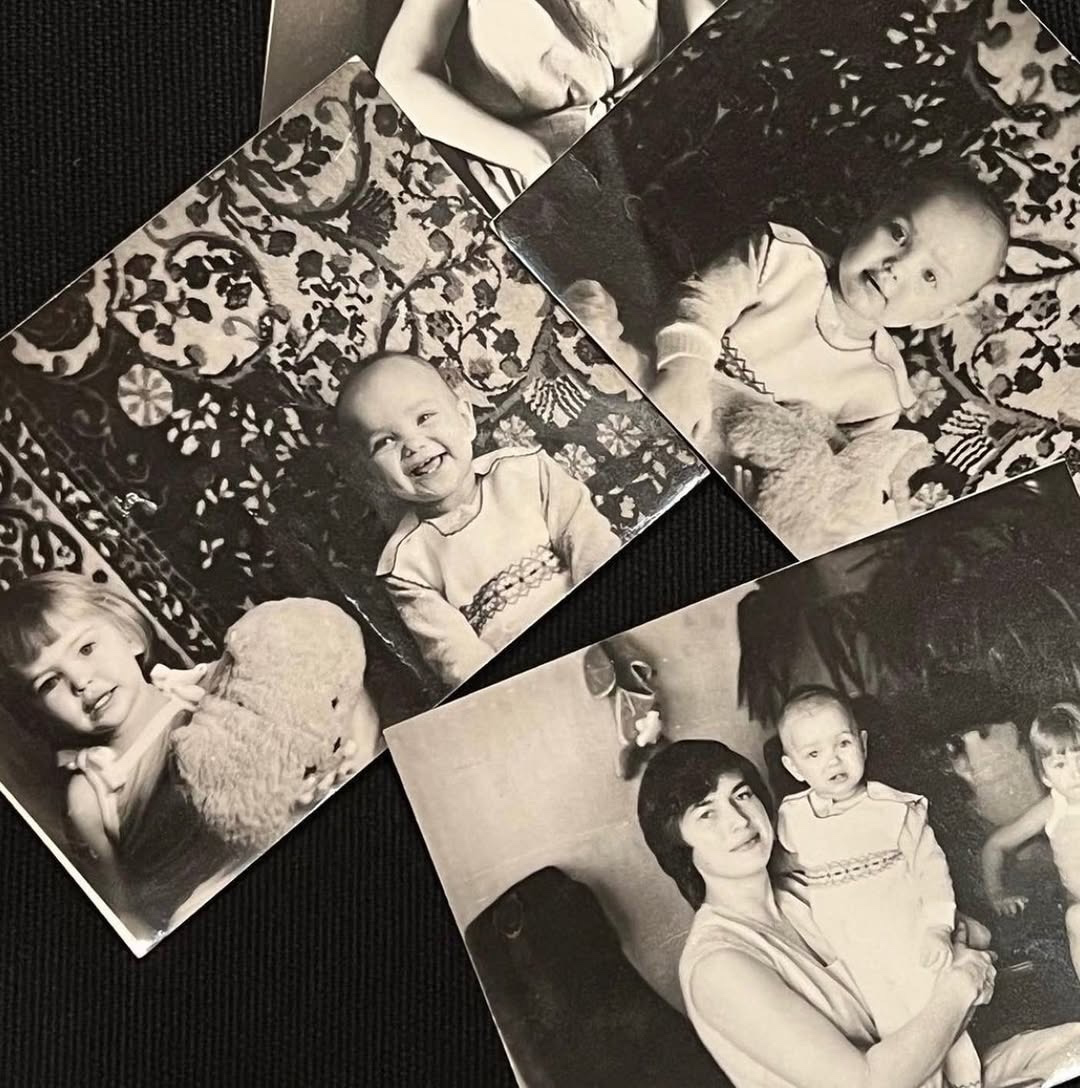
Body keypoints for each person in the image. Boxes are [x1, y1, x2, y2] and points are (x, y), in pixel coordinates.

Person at [637, 738, 1080, 1088]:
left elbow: (966, 934)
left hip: (949, 1069)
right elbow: (868, 1082)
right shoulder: (718, 967)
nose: (738, 820)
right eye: (707, 814)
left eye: (742, 795)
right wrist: (961, 983)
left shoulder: (804, 890)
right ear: (678, 845)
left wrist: (951, 946)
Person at [646, 165, 1011, 449]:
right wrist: (685, 371)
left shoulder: (880, 393)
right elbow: (700, 301)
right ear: (869, 218)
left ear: (935, 316)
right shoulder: (780, 257)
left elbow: (838, 472)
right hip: (666, 380)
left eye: (930, 276)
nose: (896, 267)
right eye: (898, 234)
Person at [335, 351, 621, 687]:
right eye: (385, 441)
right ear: (372, 477)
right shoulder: (405, 565)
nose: (411, 444)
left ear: (465, 419)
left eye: (424, 417)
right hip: (526, 679)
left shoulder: (527, 471)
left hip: (606, 624)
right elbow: (457, 659)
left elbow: (594, 549)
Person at [0, 573, 240, 943]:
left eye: (86, 648)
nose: (80, 681)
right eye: (49, 683)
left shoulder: (203, 689)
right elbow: (125, 912)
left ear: (128, 635)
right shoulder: (91, 795)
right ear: (39, 715)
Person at [775, 687, 981, 1088]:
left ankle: (966, 1079)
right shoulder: (793, 817)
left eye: (843, 743)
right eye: (813, 754)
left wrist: (938, 927)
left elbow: (931, 869)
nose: (833, 759)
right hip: (852, 951)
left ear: (863, 744)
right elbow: (785, 868)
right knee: (890, 1025)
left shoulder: (893, 809)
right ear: (794, 767)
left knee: (933, 1008)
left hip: (907, 936)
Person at [375, 0, 720, 209]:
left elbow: (704, 20)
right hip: (543, 178)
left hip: (666, 132)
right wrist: (535, 158)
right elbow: (399, 77)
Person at [982, 702, 1080, 983]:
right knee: (1076, 918)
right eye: (1060, 764)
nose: (1076, 772)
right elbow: (995, 845)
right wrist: (996, 893)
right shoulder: (1054, 808)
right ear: (1045, 776)